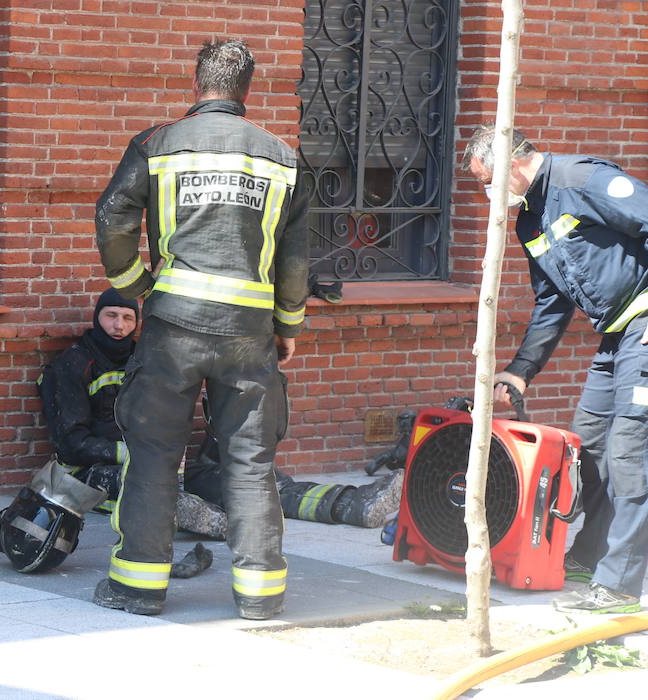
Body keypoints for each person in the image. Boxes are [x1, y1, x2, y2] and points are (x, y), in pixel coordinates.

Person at [92, 38, 312, 620]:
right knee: (248, 463)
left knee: (154, 453)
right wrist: (287, 324)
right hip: (250, 334)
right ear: (247, 90)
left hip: (173, 329)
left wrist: (137, 285)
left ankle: (137, 587)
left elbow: (112, 214)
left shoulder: (157, 144)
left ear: (198, 84)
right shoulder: (282, 159)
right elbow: (295, 256)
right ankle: (259, 598)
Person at [462, 126, 648, 613]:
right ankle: (592, 556)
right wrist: (519, 372)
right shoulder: (529, 222)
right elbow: (551, 303)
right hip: (616, 334)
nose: (487, 192)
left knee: (631, 450)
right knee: (588, 448)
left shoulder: (582, 179)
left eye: (487, 179)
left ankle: (618, 586)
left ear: (511, 163)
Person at [38, 289, 401, 534]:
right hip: (92, 473)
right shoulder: (73, 365)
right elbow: (70, 443)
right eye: (110, 317)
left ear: (137, 323)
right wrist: (134, 452)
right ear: (96, 318)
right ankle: (202, 517)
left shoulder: (149, 358)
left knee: (249, 482)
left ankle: (353, 504)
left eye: (127, 319)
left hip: (164, 462)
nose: (118, 326)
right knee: (150, 490)